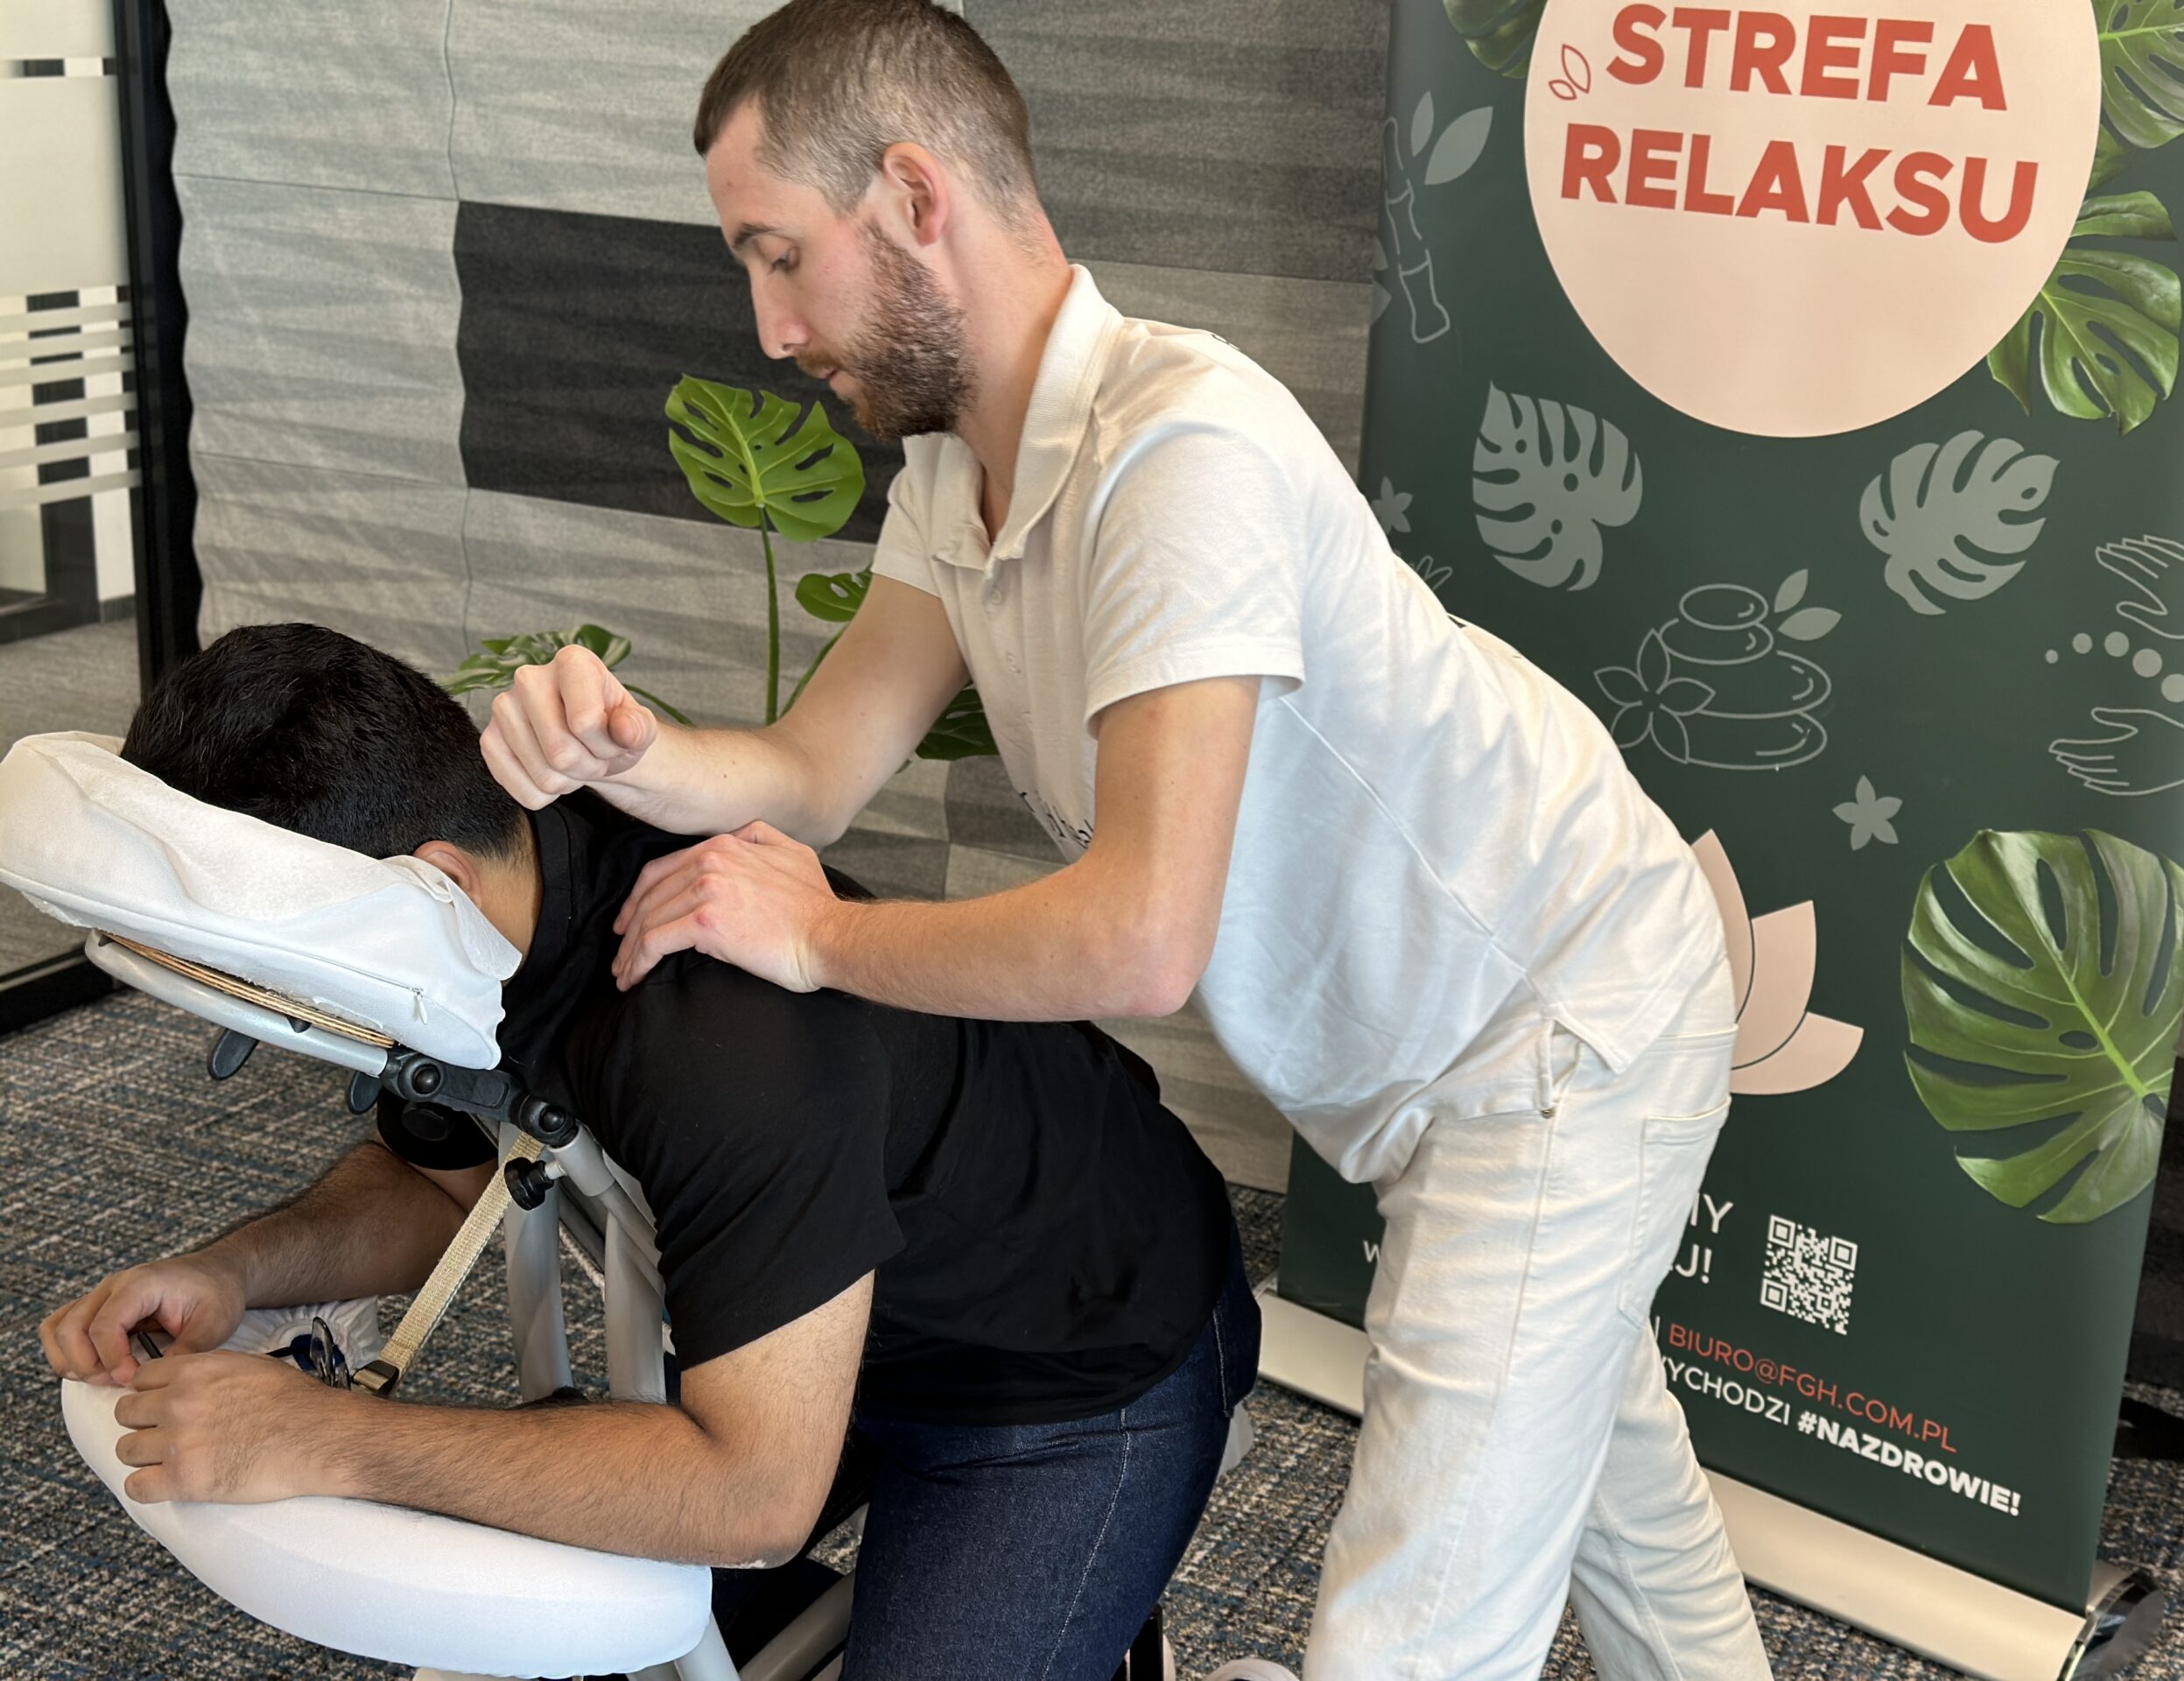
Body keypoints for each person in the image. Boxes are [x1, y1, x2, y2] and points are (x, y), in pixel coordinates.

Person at [482, 4, 1772, 1677]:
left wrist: (816, 937)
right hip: (1440, 1045)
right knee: (1611, 1492)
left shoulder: (1179, 452)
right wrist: (636, 752)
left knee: (1414, 1637)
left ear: (915, 198)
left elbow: (1141, 936)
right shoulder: (960, 478)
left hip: (1557, 1019)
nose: (772, 326)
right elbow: (808, 771)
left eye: (780, 256)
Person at [38, 622, 1259, 1681]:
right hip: (800, 1335)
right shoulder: (460, 930)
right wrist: (235, 1272)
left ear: (431, 883)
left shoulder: (715, 1040)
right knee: (559, 1611)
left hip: (1068, 1365)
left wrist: (326, 1438)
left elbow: (752, 1493)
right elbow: (432, 1181)